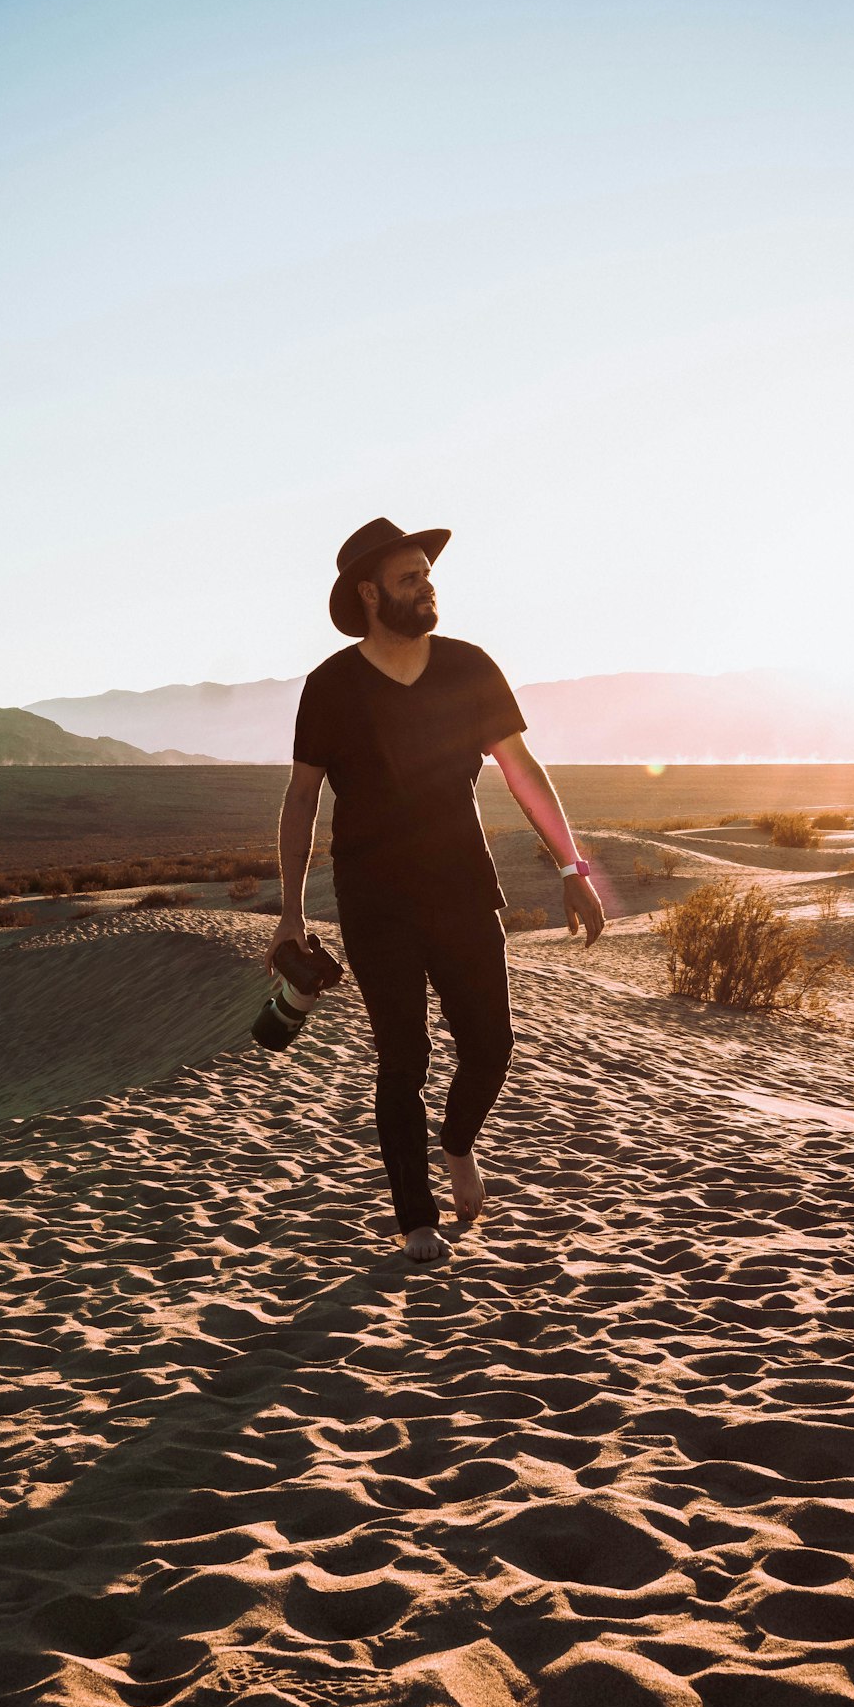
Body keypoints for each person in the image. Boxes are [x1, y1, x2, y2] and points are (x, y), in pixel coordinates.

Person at [268, 516, 605, 1264]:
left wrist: (572, 867)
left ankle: (457, 1145)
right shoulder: (331, 686)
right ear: (369, 593)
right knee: (403, 1058)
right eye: (410, 578)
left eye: (428, 574)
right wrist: (290, 909)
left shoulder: (469, 667)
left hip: (461, 885)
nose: (428, 588)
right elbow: (300, 800)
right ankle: (415, 1216)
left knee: (491, 1046)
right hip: (373, 897)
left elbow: (523, 771)